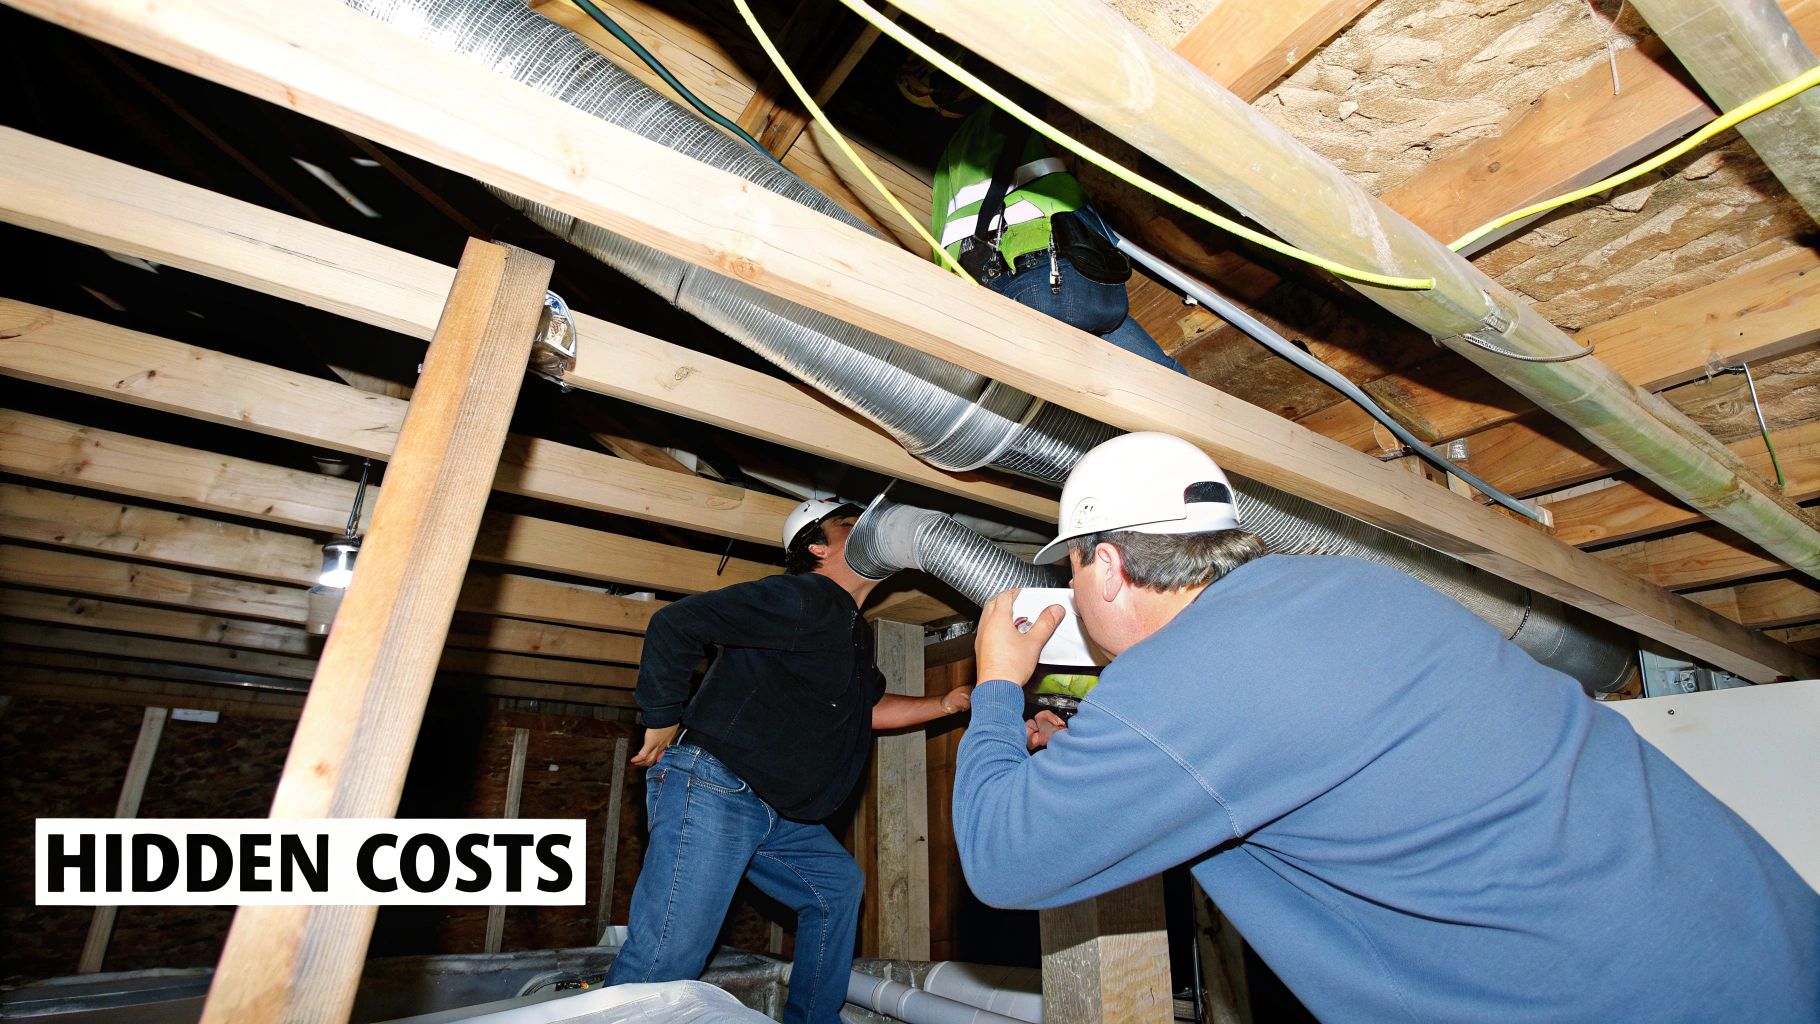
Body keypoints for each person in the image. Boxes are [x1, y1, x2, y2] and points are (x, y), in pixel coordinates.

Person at [953, 431, 1819, 1022]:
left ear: (1106, 566)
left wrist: (996, 683)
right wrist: (1106, 772)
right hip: (1756, 935)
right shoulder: (1347, 590)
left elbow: (1003, 858)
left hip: (1614, 999)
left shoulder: (1187, 679)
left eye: (1069, 568)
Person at [605, 497, 973, 1024]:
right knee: (667, 954)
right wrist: (662, 713)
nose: (865, 529)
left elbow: (865, 709)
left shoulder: (852, 631)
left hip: (778, 810)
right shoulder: (802, 595)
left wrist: (944, 703)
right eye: (849, 525)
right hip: (715, 786)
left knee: (836, 889)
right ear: (816, 548)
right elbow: (677, 622)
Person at [930, 106, 1186, 374]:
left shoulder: (950, 165)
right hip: (1092, 283)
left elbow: (943, 255)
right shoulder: (1006, 109)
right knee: (1165, 378)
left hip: (1037, 286)